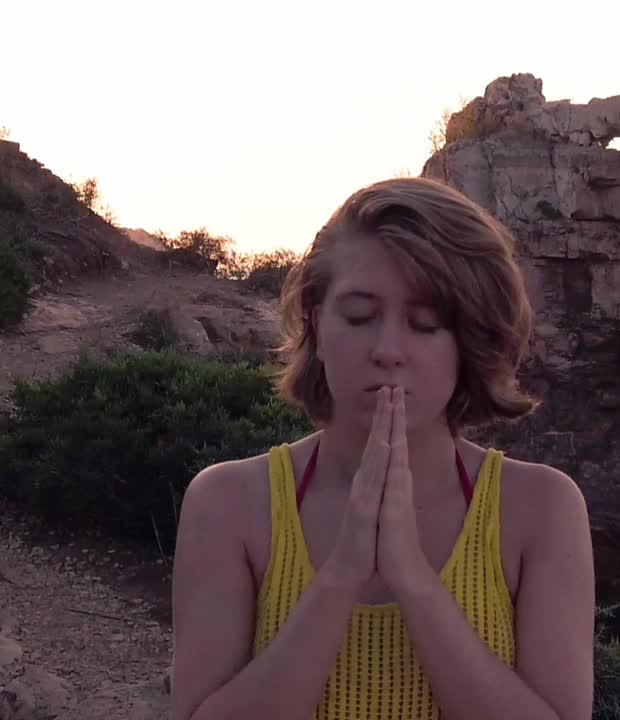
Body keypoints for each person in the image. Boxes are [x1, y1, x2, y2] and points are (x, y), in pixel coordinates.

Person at [170, 176, 595, 720]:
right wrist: (341, 574)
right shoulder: (229, 503)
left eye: (425, 325)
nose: (388, 350)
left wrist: (413, 579)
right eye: (359, 317)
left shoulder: (541, 510)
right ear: (316, 325)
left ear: (469, 342)